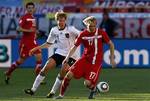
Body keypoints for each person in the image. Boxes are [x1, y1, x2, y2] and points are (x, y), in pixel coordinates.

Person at [55, 16, 116, 99]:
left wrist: (112, 58)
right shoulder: (82, 34)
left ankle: (94, 89)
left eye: (93, 26)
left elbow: (111, 44)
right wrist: (67, 57)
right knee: (68, 75)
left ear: (96, 25)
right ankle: (61, 95)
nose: (92, 28)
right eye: (90, 26)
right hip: (85, 59)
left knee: (87, 83)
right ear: (86, 26)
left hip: (95, 62)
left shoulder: (101, 33)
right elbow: (74, 47)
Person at [24, 11, 80, 97]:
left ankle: (52, 92)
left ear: (65, 20)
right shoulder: (54, 30)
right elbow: (48, 44)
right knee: (45, 68)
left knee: (63, 71)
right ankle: (32, 90)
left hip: (72, 55)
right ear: (56, 20)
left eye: (62, 20)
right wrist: (36, 48)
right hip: (59, 52)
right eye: (59, 20)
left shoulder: (71, 29)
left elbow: (82, 35)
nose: (61, 22)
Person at [4, 2, 42, 84]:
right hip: (25, 43)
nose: (30, 9)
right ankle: (9, 72)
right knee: (20, 61)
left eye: (32, 8)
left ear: (34, 9)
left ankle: (38, 77)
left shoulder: (33, 18)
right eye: (29, 8)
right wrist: (29, 31)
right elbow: (18, 28)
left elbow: (33, 29)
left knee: (39, 57)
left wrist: (36, 32)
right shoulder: (24, 17)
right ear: (26, 9)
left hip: (33, 42)